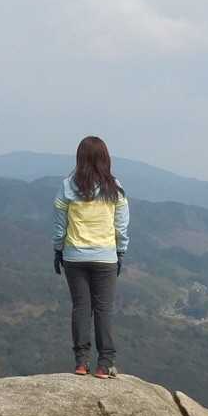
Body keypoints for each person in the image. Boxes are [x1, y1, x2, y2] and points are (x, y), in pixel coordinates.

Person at [52, 135, 130, 379]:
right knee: (103, 310)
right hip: (106, 257)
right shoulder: (114, 188)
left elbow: (59, 225)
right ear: (105, 159)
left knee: (81, 308)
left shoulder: (67, 186)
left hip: (74, 257)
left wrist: (58, 249)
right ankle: (104, 364)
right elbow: (121, 226)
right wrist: (120, 251)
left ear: (80, 158)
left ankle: (81, 362)